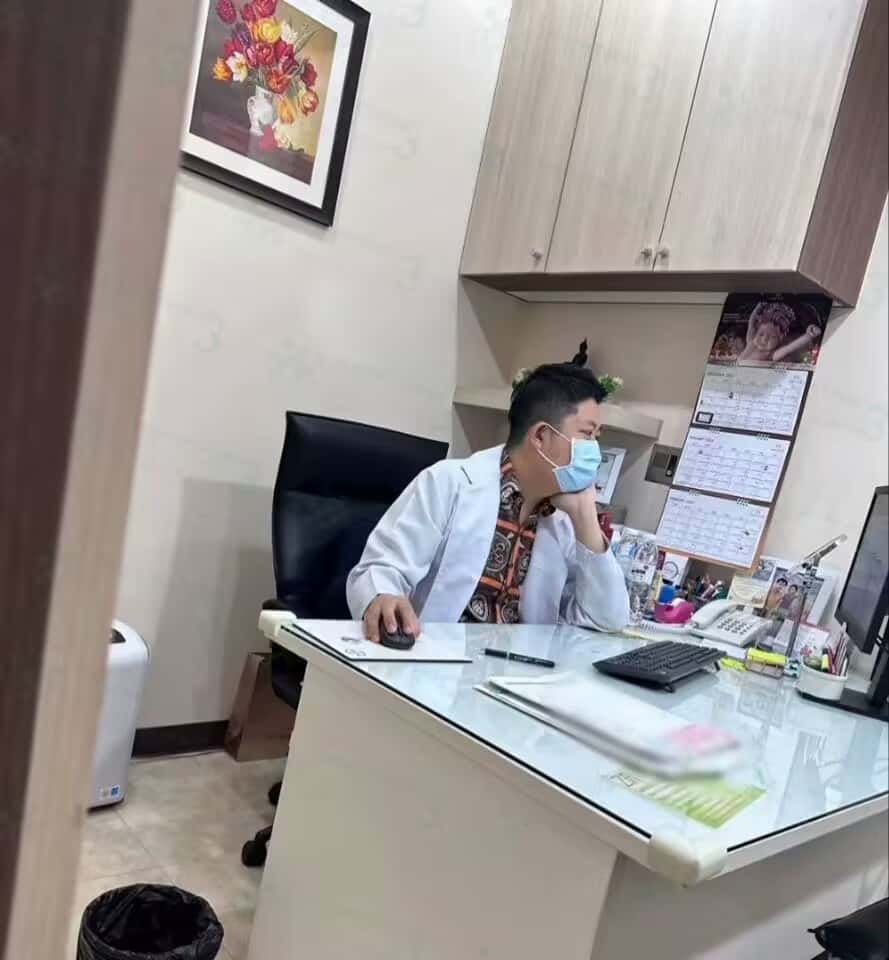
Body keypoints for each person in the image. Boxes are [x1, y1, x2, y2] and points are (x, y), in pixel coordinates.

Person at [347, 363, 631, 641]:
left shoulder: (562, 517)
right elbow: (379, 570)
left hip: (517, 668)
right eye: (587, 434)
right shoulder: (449, 483)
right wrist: (383, 596)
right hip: (434, 661)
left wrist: (585, 517)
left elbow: (607, 620)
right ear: (541, 436)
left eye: (597, 437)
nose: (595, 450)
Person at [738, 301, 822, 363]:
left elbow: (790, 347)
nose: (764, 339)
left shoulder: (772, 355)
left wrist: (809, 335)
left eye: (772, 337)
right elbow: (751, 323)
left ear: (780, 339)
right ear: (756, 332)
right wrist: (757, 308)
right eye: (761, 334)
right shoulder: (751, 341)